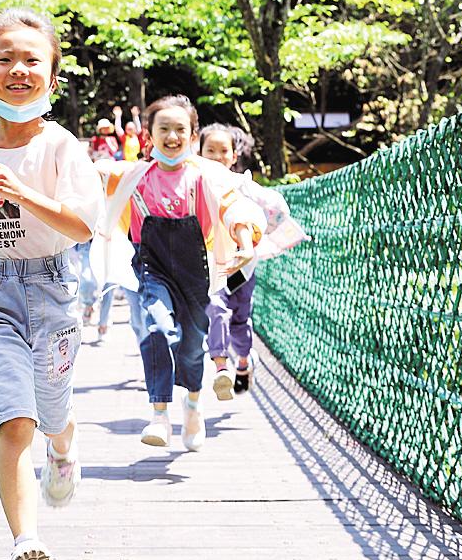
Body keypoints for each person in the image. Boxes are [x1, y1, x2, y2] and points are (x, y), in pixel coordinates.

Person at [0, 7, 102, 560]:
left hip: (53, 291)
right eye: (4, 59)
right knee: (13, 415)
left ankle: (64, 448)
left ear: (51, 76)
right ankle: (27, 548)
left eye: (31, 61)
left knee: (50, 413)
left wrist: (23, 193)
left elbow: (81, 224)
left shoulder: (61, 146)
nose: (18, 70)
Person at [95, 96, 262, 450]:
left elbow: (235, 209)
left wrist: (245, 244)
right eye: (163, 129)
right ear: (149, 136)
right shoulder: (133, 176)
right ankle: (158, 413)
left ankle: (192, 405)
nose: (172, 136)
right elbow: (87, 175)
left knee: (189, 347)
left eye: (180, 129)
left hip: (195, 272)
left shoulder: (206, 177)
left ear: (192, 135)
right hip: (151, 267)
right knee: (156, 328)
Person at [199, 123, 306, 396]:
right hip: (213, 265)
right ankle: (221, 367)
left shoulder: (243, 186)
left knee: (239, 321)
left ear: (234, 156)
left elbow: (276, 208)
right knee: (216, 307)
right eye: (209, 150)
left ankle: (244, 361)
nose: (216, 156)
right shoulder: (194, 184)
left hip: (244, 266)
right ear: (198, 153)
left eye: (223, 150)